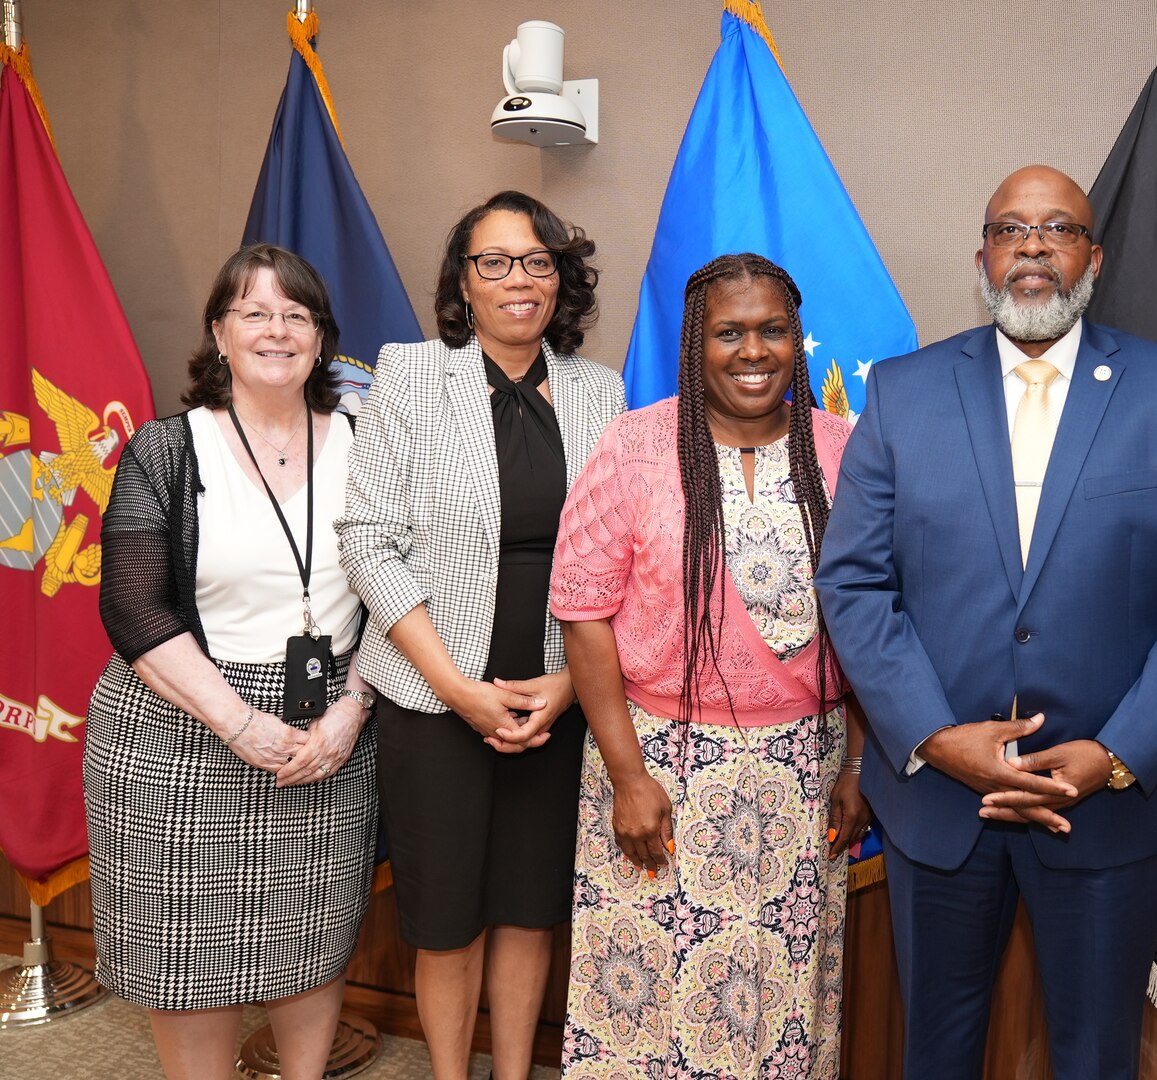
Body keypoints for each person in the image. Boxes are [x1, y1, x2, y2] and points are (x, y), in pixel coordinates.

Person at [816, 165, 1157, 1079]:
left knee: (1096, 1059)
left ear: (1090, 258)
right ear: (981, 255)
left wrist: (1116, 752)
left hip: (1106, 809)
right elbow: (854, 583)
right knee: (932, 1056)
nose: (1030, 246)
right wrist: (936, 739)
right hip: (939, 805)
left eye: (1055, 230)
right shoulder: (903, 393)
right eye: (1009, 229)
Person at [551, 253, 872, 1079]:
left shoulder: (847, 450)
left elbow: (876, 620)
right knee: (651, 991)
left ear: (796, 340)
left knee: (779, 993)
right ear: (695, 343)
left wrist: (858, 761)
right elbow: (584, 616)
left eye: (772, 330)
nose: (753, 350)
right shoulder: (634, 445)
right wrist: (626, 774)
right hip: (660, 765)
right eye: (729, 332)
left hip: (803, 769)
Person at [337, 191, 624, 1080]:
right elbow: (367, 541)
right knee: (447, 915)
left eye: (536, 260)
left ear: (560, 278)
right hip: (433, 697)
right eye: (493, 261)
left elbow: (625, 556)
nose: (517, 279)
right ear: (463, 280)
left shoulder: (600, 391)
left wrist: (574, 685)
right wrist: (458, 689)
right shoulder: (412, 376)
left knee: (530, 908)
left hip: (555, 697)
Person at [84, 243, 377, 1080]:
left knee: (310, 948)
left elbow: (400, 596)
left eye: (296, 314)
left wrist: (351, 709)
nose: (276, 330)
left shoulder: (369, 445)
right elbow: (132, 607)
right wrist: (238, 721)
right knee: (188, 972)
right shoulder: (167, 450)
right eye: (254, 312)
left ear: (321, 339)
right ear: (219, 332)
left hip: (330, 725)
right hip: (178, 732)